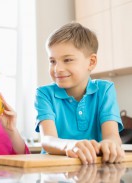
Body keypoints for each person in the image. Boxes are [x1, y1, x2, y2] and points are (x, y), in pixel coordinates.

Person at [34, 22, 125, 164]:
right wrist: (69, 145)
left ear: (91, 62)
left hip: (93, 169)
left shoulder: (105, 90)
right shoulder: (44, 94)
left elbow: (112, 136)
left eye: (67, 60)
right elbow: (47, 140)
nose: (57, 69)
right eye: (52, 61)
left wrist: (110, 144)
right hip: (54, 171)